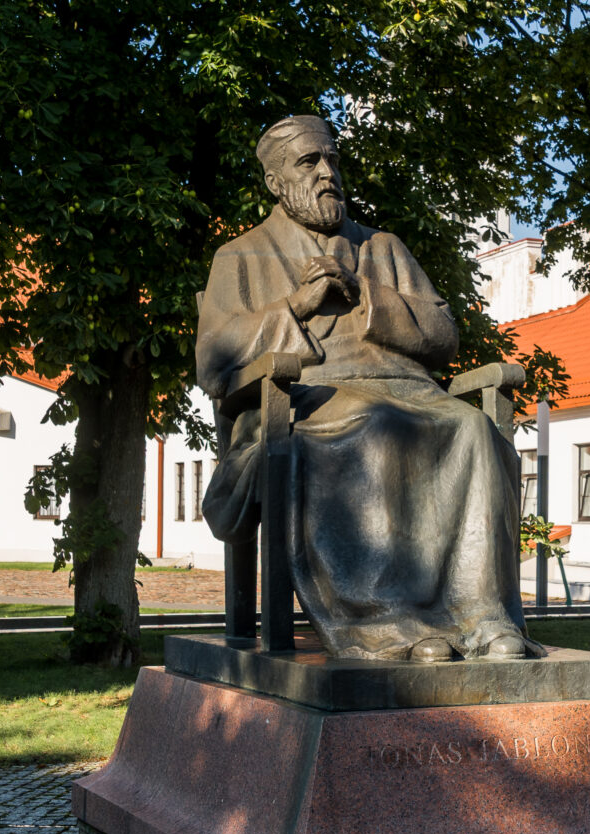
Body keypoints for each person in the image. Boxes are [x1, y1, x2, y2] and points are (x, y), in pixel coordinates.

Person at [196, 114, 540, 662]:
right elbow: (214, 362)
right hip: (304, 398)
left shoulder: (384, 247)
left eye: (332, 159)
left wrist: (375, 299)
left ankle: (483, 619)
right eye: (309, 162)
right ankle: (385, 621)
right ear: (275, 180)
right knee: (375, 425)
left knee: (472, 428)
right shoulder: (239, 257)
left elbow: (444, 336)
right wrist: (296, 306)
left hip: (411, 390)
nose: (327, 172)